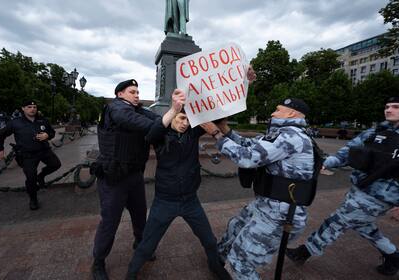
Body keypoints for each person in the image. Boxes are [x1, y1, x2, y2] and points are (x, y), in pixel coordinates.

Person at [286, 96, 399, 276]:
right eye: (387, 106)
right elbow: (349, 151)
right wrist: (326, 163)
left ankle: (304, 252)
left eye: (396, 107)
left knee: (337, 221)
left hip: (383, 196)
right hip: (361, 188)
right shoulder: (376, 131)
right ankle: (395, 258)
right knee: (364, 226)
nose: (389, 110)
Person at [200, 98, 316, 280]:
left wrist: (215, 133)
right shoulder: (283, 133)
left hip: (280, 214)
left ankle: (234, 269)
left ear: (291, 113)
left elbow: (248, 158)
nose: (272, 113)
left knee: (241, 263)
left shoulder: (291, 136)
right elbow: (249, 145)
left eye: (277, 110)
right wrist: (224, 128)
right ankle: (218, 263)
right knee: (235, 226)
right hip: (268, 205)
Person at [91, 79, 186, 280]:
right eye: (132, 91)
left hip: (134, 175)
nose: (136, 95)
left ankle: (139, 244)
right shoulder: (114, 109)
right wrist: (164, 122)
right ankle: (98, 261)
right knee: (110, 222)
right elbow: (134, 121)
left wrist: (175, 111)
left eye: (138, 91)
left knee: (140, 214)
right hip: (113, 177)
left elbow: (156, 118)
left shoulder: (137, 110)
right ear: (120, 94)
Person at [125, 108, 231, 280]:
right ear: (172, 117)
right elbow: (151, 135)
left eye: (188, 120)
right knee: (146, 245)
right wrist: (174, 108)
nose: (184, 123)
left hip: (190, 201)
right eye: (181, 118)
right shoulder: (160, 136)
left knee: (210, 241)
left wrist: (243, 83)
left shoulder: (192, 132)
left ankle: (215, 266)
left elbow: (217, 117)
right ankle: (131, 273)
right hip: (165, 202)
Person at [0, 100, 61, 210]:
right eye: (29, 107)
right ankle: (33, 199)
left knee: (56, 164)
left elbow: (52, 132)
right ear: (23, 108)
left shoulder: (42, 120)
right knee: (31, 178)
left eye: (34, 107)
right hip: (27, 154)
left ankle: (41, 176)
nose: (32, 109)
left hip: (44, 150)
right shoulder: (15, 122)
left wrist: (47, 135)